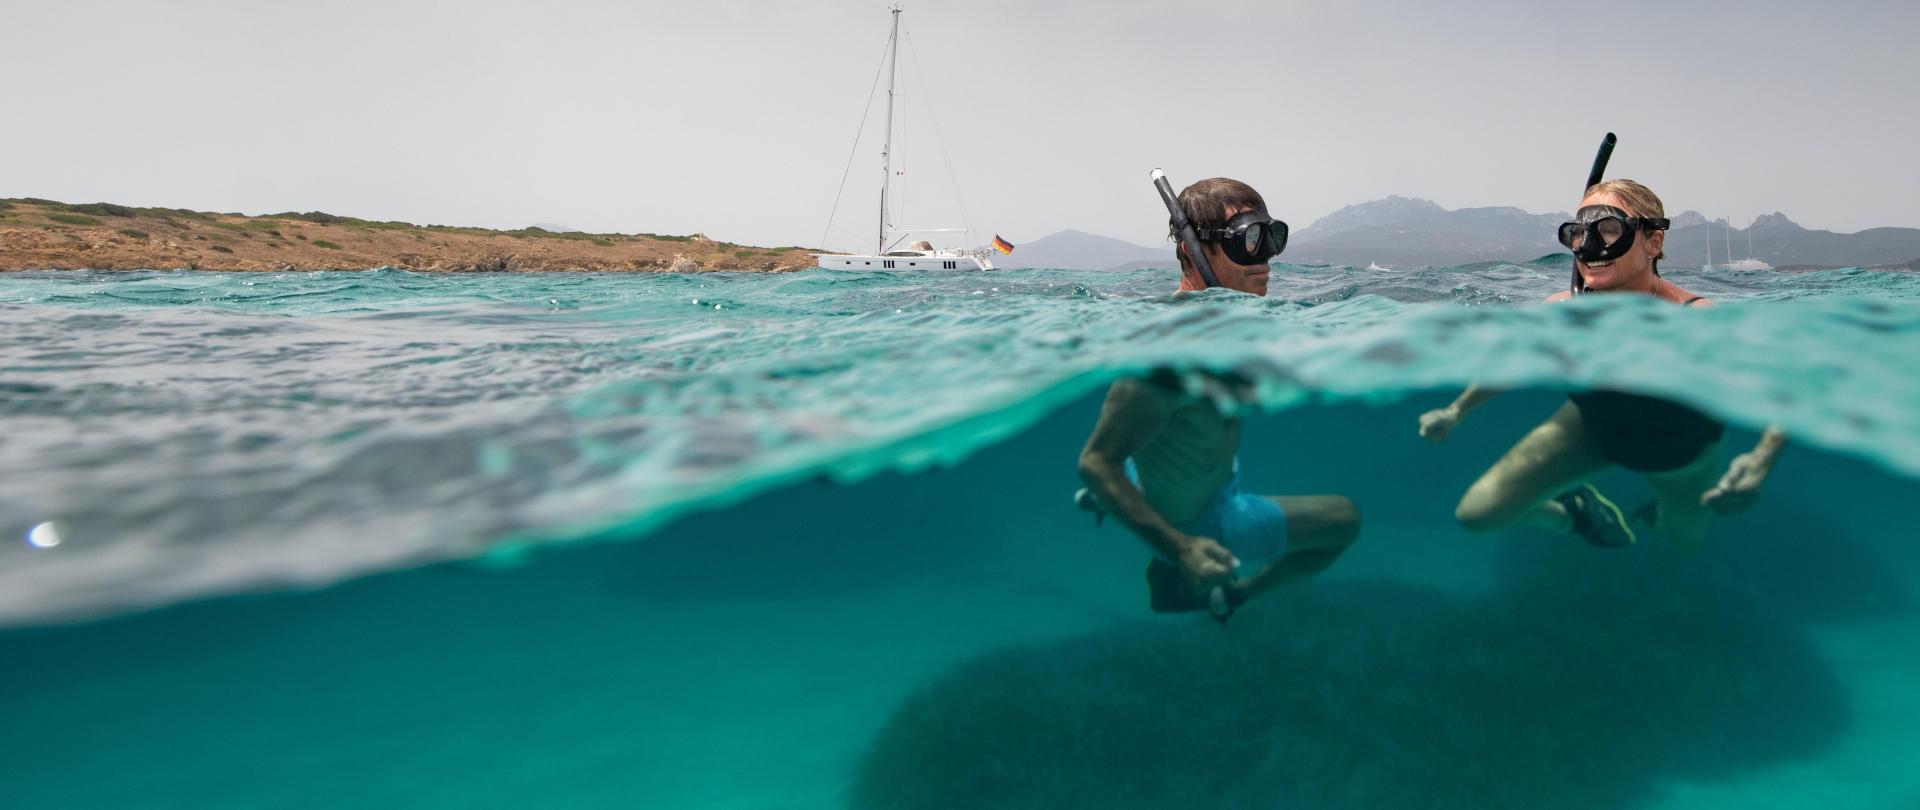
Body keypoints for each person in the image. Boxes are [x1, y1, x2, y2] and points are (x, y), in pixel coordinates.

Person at [1419, 178, 1787, 547]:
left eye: (1610, 230)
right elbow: (1512, 364)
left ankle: (1658, 512)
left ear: (1653, 242)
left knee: (1684, 540)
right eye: (1579, 233)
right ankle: (1575, 514)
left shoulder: (1696, 319)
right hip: (1589, 430)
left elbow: (1784, 389)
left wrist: (1760, 461)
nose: (1590, 246)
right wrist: (1456, 410)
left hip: (1677, 455)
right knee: (1476, 515)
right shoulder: (1561, 310)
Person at [1077, 178, 1359, 624]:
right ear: (1194, 250)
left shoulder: (1235, 320)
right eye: (1247, 239)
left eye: (1272, 237)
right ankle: (1234, 596)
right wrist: (1182, 548)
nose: (1264, 258)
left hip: (1192, 474)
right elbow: (1096, 461)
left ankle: (1102, 500)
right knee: (1345, 520)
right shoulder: (1170, 352)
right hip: (1194, 519)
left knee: (1155, 447)